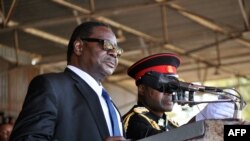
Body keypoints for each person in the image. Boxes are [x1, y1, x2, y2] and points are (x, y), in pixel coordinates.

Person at [9, 21, 126, 141]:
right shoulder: (51, 87)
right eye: (107, 44)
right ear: (79, 47)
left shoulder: (109, 103)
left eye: (117, 50)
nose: (114, 53)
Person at [122, 53, 237, 140]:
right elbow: (167, 139)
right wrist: (201, 120)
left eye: (173, 87)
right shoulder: (134, 121)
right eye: (163, 86)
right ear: (142, 89)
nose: (170, 92)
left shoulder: (171, 124)